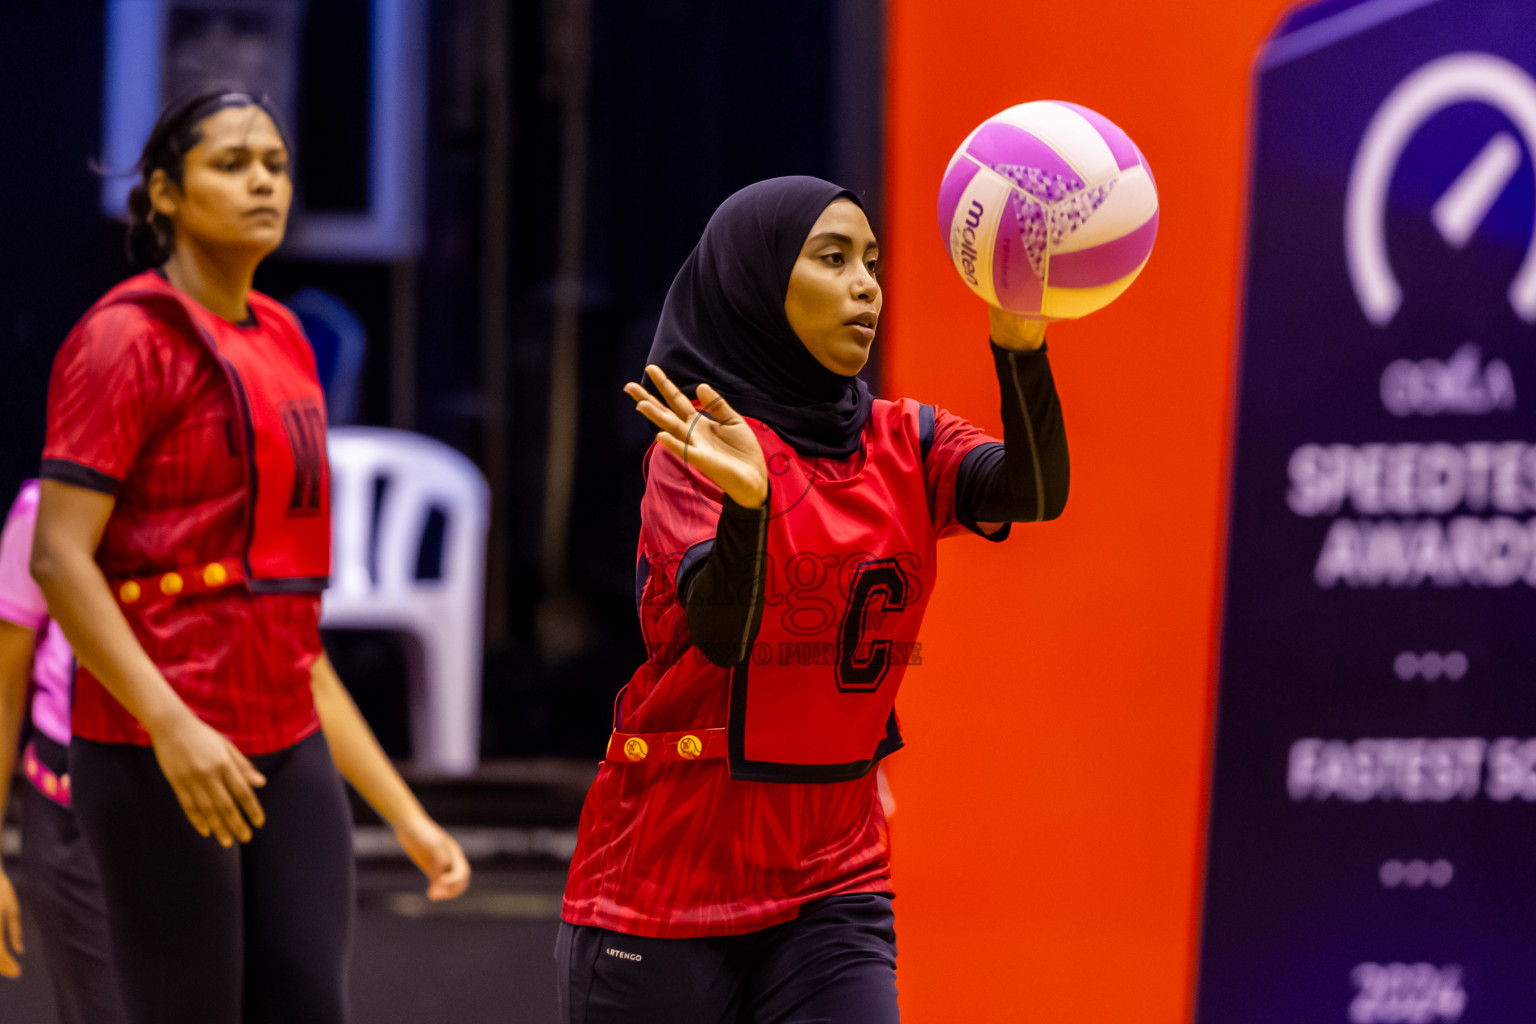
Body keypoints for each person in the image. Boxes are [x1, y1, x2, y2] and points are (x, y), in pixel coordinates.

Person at [557, 176, 1070, 1023]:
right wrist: (750, 510)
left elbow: (1036, 490)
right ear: (754, 284)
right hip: (670, 874)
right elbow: (724, 636)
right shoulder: (698, 446)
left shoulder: (906, 439)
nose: (866, 283)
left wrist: (1019, 346)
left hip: (835, 872)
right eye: (832, 259)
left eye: (871, 261)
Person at [28, 88, 470, 1024]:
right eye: (231, 163)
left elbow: (287, 624)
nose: (263, 180)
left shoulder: (285, 339)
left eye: (274, 162)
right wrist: (170, 726)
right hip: (160, 741)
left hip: (285, 735)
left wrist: (405, 812)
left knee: (311, 1002)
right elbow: (59, 560)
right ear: (164, 195)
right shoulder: (122, 339)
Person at [0, 480, 125, 1023]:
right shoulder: (41, 508)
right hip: (70, 811)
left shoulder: (206, 507)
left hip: (193, 809)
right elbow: (6, 692)